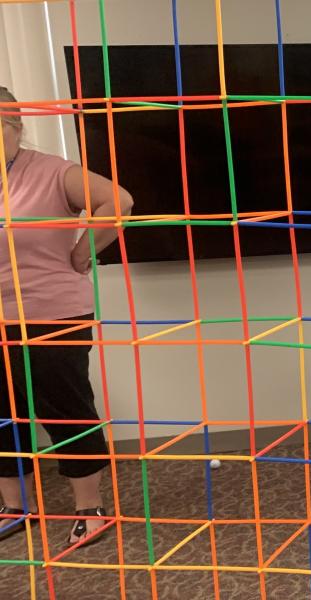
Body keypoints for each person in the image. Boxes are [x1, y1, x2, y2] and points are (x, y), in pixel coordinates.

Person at [0, 85, 133, 547]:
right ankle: (15, 507)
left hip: (51, 314)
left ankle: (89, 509)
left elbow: (119, 201)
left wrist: (82, 254)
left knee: (65, 411)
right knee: (2, 415)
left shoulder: (51, 172)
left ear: (15, 125)